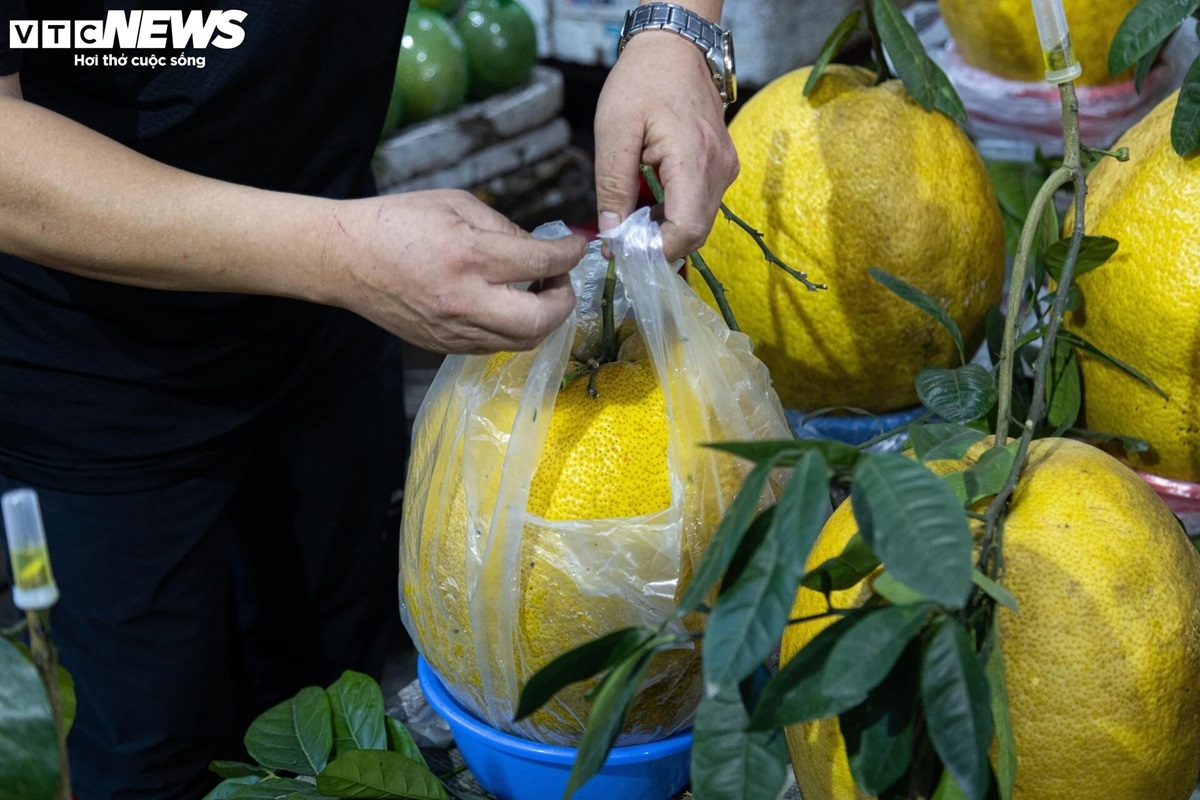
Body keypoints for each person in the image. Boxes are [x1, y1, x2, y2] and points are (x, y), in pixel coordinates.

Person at [0, 0, 737, 797]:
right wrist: (337, 255)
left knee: (331, 708)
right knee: (146, 751)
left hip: (331, 330)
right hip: (88, 377)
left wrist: (675, 32)